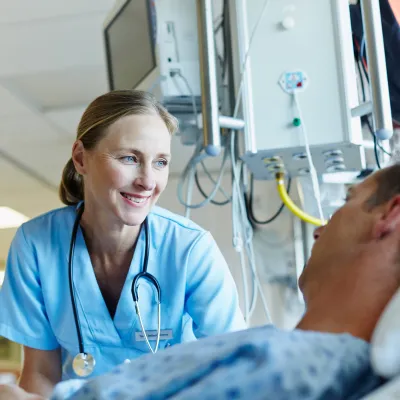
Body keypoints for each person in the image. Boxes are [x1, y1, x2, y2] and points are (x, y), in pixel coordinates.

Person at [3, 159, 400, 399]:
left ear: (391, 215)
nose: (320, 227)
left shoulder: (292, 366)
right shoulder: (282, 353)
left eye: (347, 201)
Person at [0, 90, 246, 397]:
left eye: (160, 162)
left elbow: (237, 365)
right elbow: (40, 372)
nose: (148, 180)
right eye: (129, 158)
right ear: (80, 158)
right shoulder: (36, 245)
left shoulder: (188, 249)